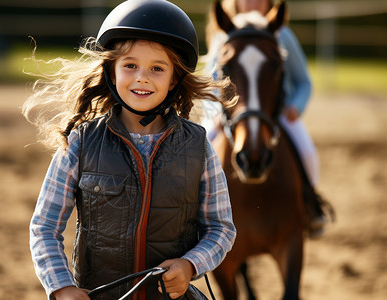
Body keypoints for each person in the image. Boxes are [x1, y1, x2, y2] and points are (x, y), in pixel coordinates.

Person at [23, 0, 238, 299]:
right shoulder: (80, 143)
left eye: (157, 68)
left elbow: (221, 229)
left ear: (174, 78)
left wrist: (190, 265)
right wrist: (62, 287)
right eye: (130, 65)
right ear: (112, 71)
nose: (142, 77)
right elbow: (45, 227)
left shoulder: (199, 146)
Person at [203, 0, 329, 238]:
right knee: (201, 148)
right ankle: (194, 213)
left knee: (307, 151)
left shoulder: (283, 35)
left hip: (276, 113)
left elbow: (303, 81)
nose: (253, 2)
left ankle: (310, 205)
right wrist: (215, 111)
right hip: (231, 115)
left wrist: (296, 107)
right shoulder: (223, 37)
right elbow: (210, 84)